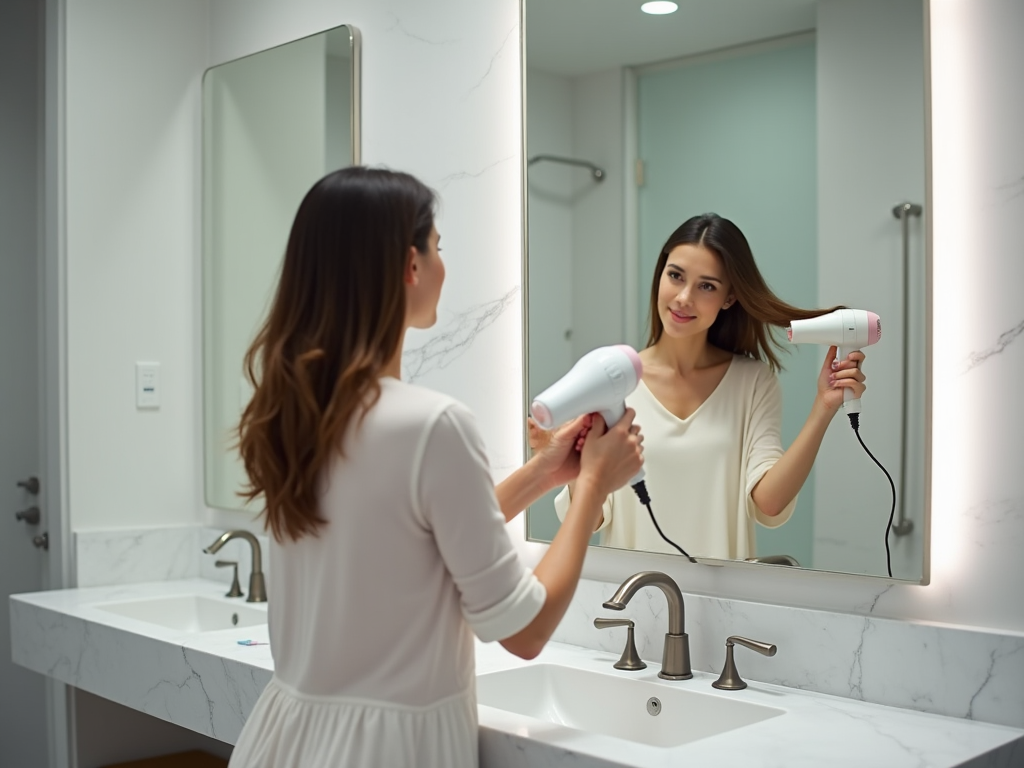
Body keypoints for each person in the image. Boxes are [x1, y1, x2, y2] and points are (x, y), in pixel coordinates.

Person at [226, 167, 643, 768]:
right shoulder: (432, 423)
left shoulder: (294, 415)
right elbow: (524, 632)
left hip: (283, 738)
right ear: (409, 266)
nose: (444, 265)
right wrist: (593, 488)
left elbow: (407, 540)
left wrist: (544, 475)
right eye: (438, 246)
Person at [539, 212, 867, 561]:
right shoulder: (613, 381)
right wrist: (566, 455)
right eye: (675, 275)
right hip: (630, 602)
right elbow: (592, 517)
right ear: (661, 274)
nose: (683, 297)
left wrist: (823, 408)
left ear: (729, 298)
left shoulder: (753, 383)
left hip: (725, 605)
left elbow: (769, 503)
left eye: (706, 286)